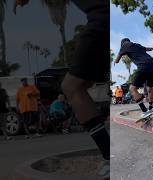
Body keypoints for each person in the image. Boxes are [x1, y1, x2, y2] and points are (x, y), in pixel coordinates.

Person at [13, 0, 109, 179]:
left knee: (71, 87)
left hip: (102, 20)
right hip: (108, 21)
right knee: (82, 86)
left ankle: (108, 154)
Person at [114, 38, 153, 118]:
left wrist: (115, 61)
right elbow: (147, 49)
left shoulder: (124, 45)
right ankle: (151, 109)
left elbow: (117, 60)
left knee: (132, 88)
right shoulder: (137, 45)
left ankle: (145, 111)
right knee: (149, 89)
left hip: (143, 66)